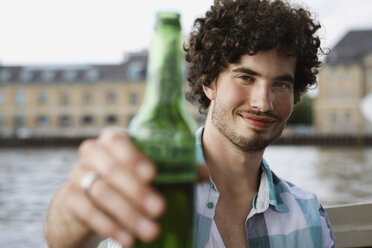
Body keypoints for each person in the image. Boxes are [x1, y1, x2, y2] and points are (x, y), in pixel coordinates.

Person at [44, 0, 335, 247]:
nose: (263, 102)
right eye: (246, 77)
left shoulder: (308, 214)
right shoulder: (146, 186)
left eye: (281, 85)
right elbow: (63, 233)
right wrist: (77, 205)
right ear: (209, 82)